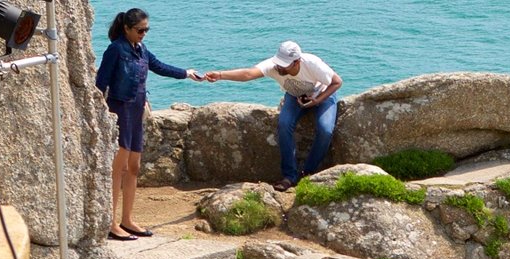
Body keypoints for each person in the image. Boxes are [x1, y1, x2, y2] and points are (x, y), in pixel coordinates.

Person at [93, 10, 214, 241]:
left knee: (134, 167)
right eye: (140, 30)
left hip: (136, 111)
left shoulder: (142, 50)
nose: (143, 34)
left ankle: (127, 220)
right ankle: (109, 222)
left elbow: (159, 66)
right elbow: (101, 83)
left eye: (146, 30)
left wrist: (187, 74)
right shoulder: (116, 49)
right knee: (117, 168)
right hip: (119, 111)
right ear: (127, 28)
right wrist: (100, 115)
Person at [210, 42, 342, 192]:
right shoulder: (273, 66)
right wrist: (220, 75)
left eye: (284, 65)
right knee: (284, 124)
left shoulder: (312, 63)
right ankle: (289, 176)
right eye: (279, 62)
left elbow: (337, 82)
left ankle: (307, 173)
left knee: (325, 129)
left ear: (297, 62)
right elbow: (248, 74)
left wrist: (317, 101)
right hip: (294, 96)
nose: (279, 67)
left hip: (323, 95)